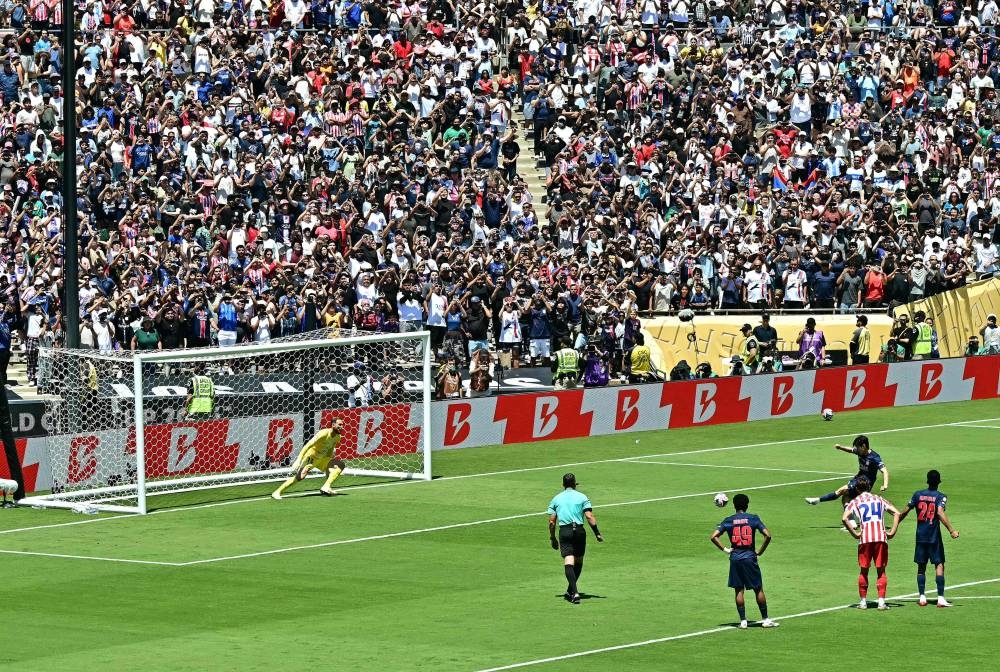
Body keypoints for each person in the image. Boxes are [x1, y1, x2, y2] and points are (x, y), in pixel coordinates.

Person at [889, 469, 960, 608]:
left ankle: (922, 597)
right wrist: (951, 530)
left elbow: (903, 512)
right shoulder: (941, 496)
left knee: (921, 566)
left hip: (920, 536)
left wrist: (894, 528)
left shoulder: (918, 495)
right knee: (939, 564)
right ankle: (940, 598)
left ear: (927, 481)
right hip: (934, 537)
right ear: (939, 482)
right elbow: (939, 512)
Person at [710, 493, 779, 629]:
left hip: (735, 558)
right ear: (747, 505)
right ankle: (765, 619)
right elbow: (768, 535)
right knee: (758, 588)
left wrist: (726, 550)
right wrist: (760, 551)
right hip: (749, 557)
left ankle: (743, 621)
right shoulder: (753, 519)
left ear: (734, 506)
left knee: (738, 590)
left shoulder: (728, 520)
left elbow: (713, 537)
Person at [842, 476, 901, 611]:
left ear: (857, 489)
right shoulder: (879, 499)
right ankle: (881, 602)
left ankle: (863, 602)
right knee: (881, 571)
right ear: (869, 487)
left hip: (865, 539)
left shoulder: (855, 501)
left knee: (864, 571)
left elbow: (844, 518)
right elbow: (896, 513)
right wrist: (892, 531)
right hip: (880, 537)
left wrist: (855, 534)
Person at [547, 472, 603, 604]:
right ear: (574, 484)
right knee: (578, 562)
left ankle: (573, 591)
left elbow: (551, 522)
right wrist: (597, 533)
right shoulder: (582, 497)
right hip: (579, 531)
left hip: (565, 531)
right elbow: (589, 516)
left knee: (568, 561)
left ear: (563, 485)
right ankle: (572, 591)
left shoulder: (556, 499)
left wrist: (552, 538)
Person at [272, 416, 347, 500]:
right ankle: (277, 492)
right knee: (300, 476)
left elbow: (330, 449)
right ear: (333, 425)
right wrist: (298, 460)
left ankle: (326, 487)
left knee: (340, 465)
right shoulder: (324, 433)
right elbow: (308, 445)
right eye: (339, 424)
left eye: (343, 425)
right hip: (311, 457)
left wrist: (329, 463)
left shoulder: (338, 437)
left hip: (322, 458)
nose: (342, 427)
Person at [806, 435, 889, 507]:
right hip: (858, 478)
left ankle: (818, 500)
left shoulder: (875, 457)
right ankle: (850, 520)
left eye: (858, 447)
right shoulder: (860, 452)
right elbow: (851, 450)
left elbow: (884, 471)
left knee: (841, 491)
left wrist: (885, 484)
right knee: (845, 497)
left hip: (865, 483)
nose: (856, 449)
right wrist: (840, 447)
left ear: (863, 446)